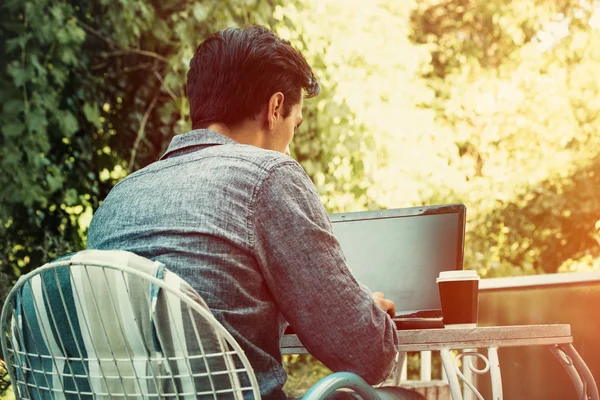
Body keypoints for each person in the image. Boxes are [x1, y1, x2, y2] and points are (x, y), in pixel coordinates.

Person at [87, 25, 422, 400]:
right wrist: (366, 312)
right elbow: (367, 356)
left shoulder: (115, 201)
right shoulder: (269, 176)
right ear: (275, 108)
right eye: (294, 124)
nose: (290, 143)